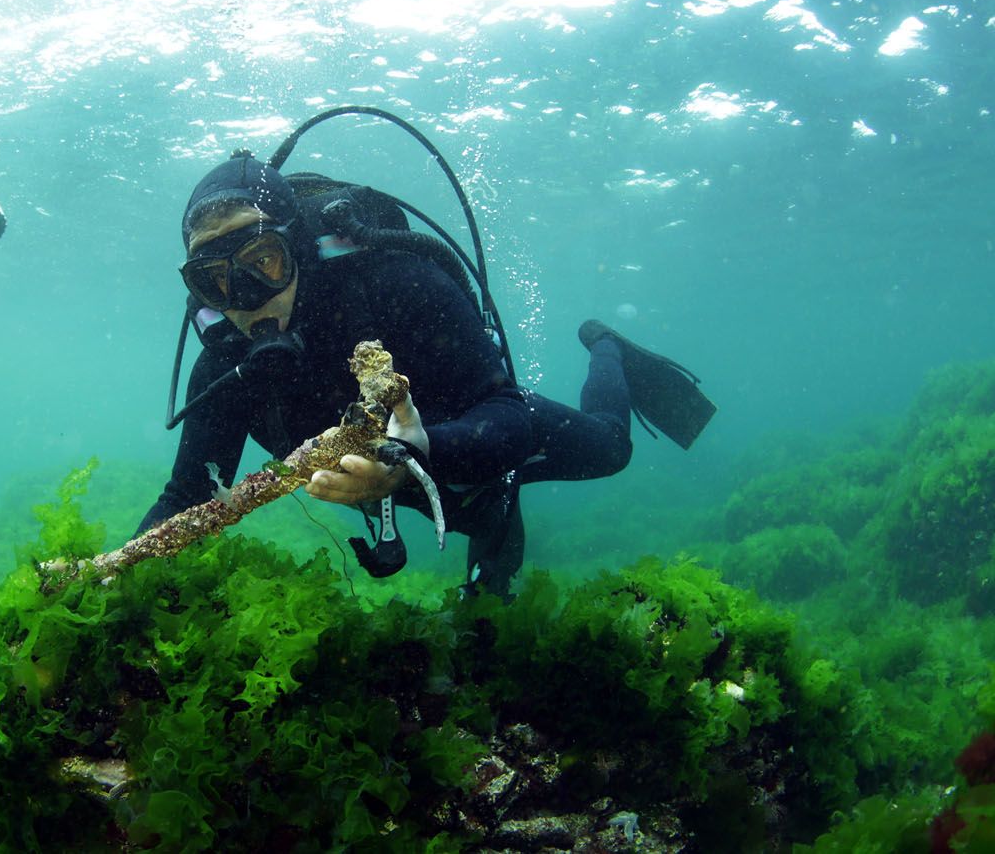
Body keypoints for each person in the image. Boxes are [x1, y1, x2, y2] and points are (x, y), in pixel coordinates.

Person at [140, 151, 715, 596]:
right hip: (414, 482)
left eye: (262, 262)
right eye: (214, 280)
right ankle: (486, 509)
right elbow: (188, 495)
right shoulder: (226, 364)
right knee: (478, 516)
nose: (244, 298)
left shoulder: (396, 283)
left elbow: (507, 417)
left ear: (298, 249)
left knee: (612, 449)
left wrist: (415, 453)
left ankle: (606, 345)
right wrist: (117, 580)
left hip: (472, 430)